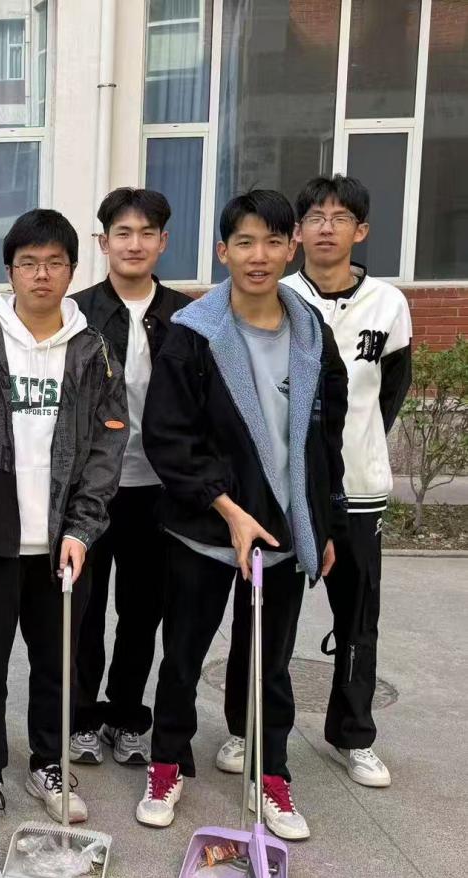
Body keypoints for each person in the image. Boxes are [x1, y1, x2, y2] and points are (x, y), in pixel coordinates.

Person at [136, 190, 347, 842]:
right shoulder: (192, 336)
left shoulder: (312, 334)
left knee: (270, 664)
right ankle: (167, 763)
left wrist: (324, 521)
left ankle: (270, 773)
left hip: (282, 531)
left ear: (291, 248)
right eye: (245, 242)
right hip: (205, 529)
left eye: (273, 242)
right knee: (182, 656)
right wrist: (225, 507)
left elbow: (326, 438)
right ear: (222, 251)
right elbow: (168, 437)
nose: (259, 256)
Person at [0, 209, 128, 835]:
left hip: (63, 544)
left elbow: (108, 445)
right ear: (10, 271)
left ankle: (48, 763)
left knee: (57, 665)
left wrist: (83, 528)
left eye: (54, 263)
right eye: (28, 263)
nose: (42, 275)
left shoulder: (94, 350)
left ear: (71, 270)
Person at [222, 175, 407, 788]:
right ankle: (244, 727)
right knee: (262, 613)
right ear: (296, 234)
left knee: (357, 616)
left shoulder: (388, 304)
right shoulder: (277, 293)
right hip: (281, 491)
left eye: (341, 217)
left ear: (362, 230)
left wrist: (347, 453)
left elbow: (389, 394)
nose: (327, 228)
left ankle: (353, 735)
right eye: (316, 218)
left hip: (358, 489)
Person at [67, 188, 193, 767]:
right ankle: (81, 718)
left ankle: (127, 716)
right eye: (122, 233)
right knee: (84, 611)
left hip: (159, 491)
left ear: (163, 242)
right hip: (91, 491)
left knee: (143, 612)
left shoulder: (188, 317)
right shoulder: (77, 313)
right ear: (103, 242)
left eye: (146, 233)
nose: (134, 244)